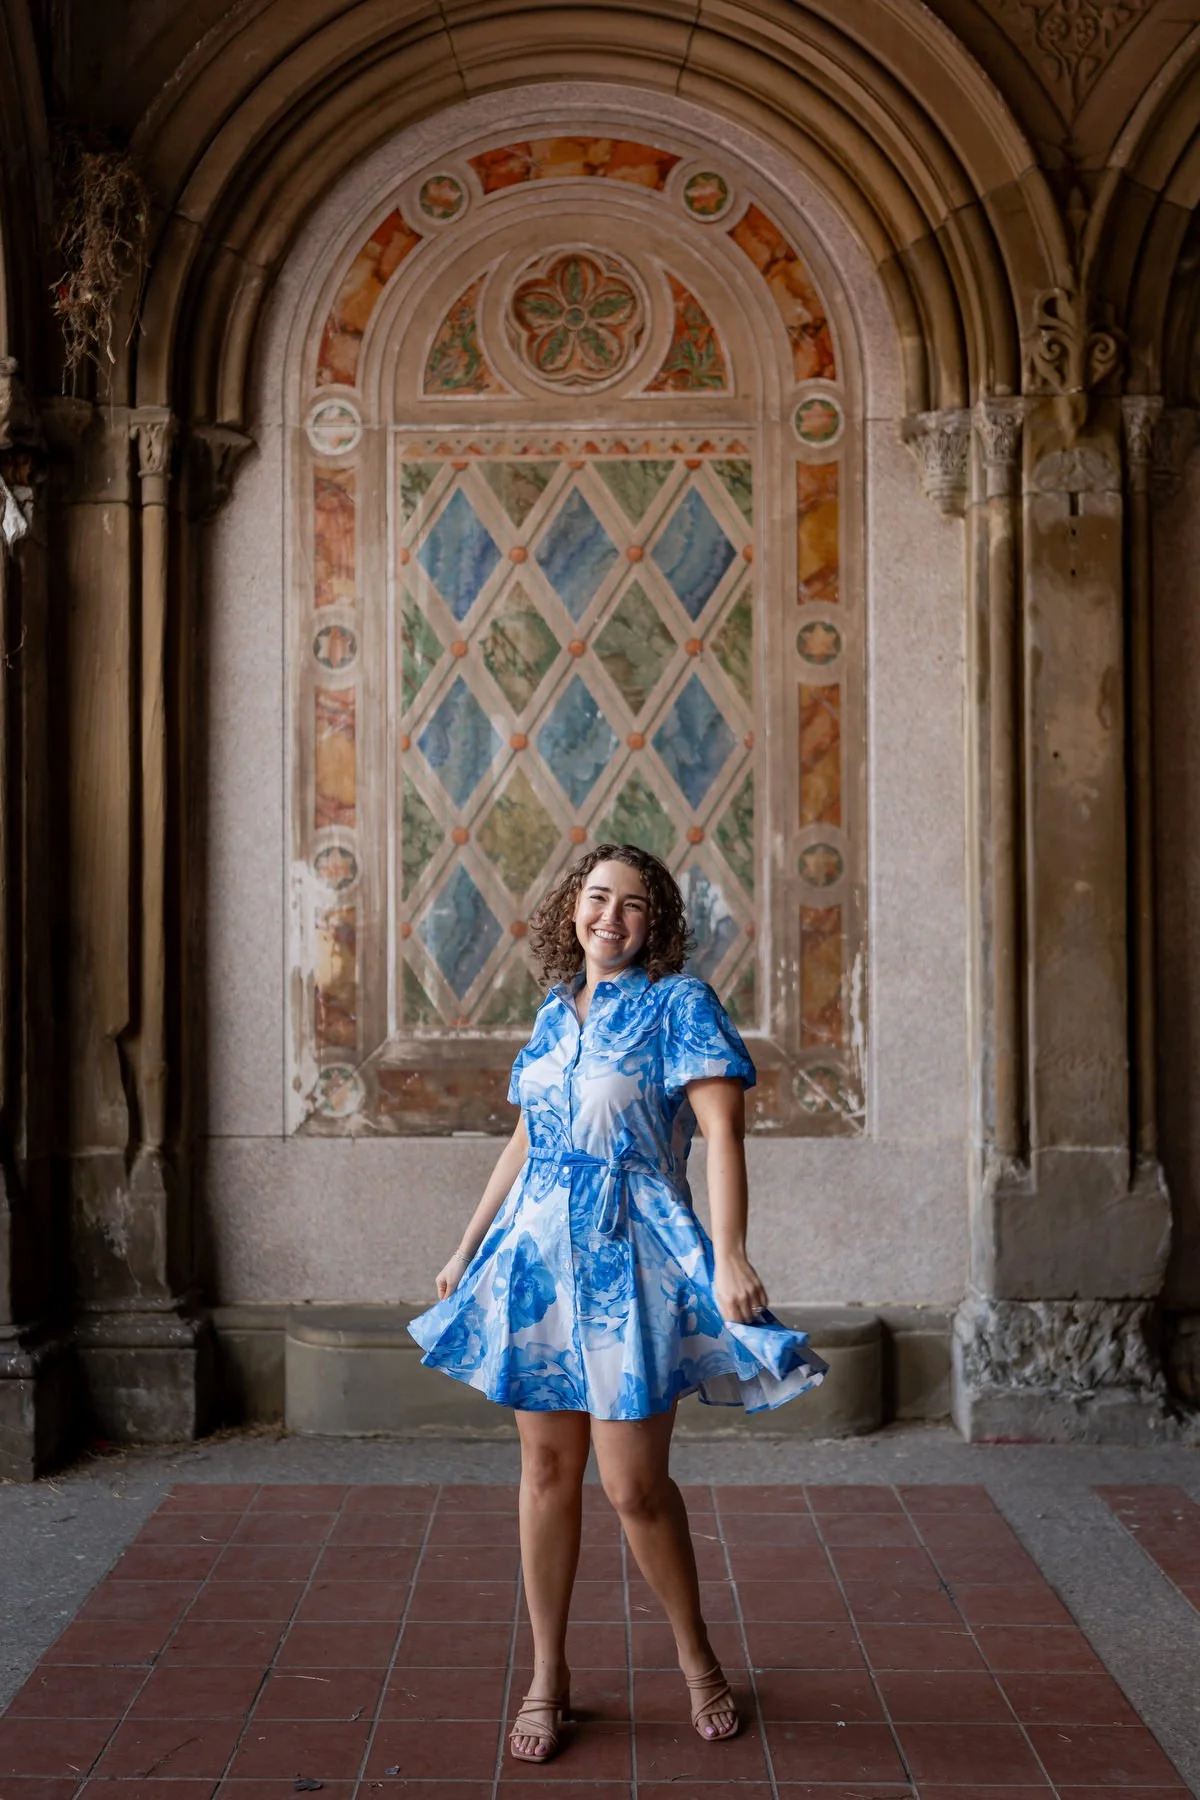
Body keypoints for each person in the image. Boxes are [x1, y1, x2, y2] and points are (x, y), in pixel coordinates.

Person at [408, 843, 827, 1764]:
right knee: (546, 1475)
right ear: (572, 911)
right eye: (597, 898)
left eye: (632, 904)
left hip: (631, 1258)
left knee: (633, 1485)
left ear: (657, 923)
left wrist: (733, 1255)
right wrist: (467, 1243)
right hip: (539, 1258)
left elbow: (722, 1137)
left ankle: (698, 1660)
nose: (611, 916)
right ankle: (547, 1676)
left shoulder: (681, 1006)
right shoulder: (555, 1016)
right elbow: (528, 1134)